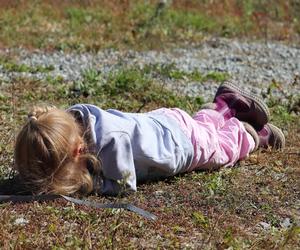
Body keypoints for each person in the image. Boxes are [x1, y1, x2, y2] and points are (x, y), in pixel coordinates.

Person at [14, 82, 285, 196]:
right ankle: (225, 106)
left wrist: (92, 185)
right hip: (166, 121)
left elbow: (124, 184)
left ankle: (251, 135)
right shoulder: (73, 121)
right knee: (201, 126)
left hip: (181, 147)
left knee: (220, 148)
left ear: (77, 153)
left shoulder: (111, 143)